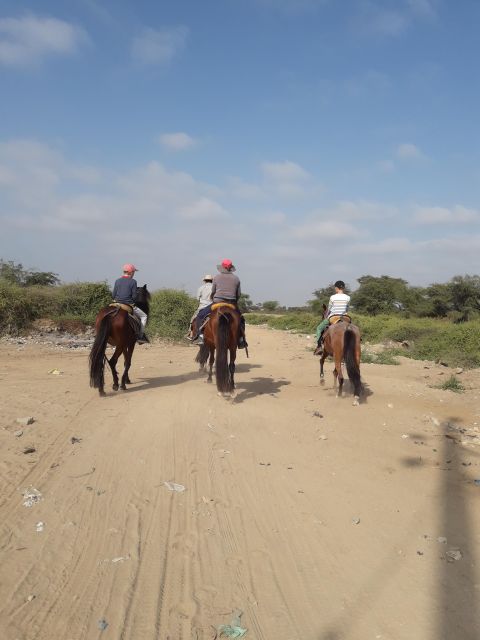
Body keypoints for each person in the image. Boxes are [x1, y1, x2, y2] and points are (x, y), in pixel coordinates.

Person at [210, 258, 247, 348]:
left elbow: (213, 291)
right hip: (231, 302)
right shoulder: (236, 278)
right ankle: (241, 339)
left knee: (202, 315)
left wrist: (212, 298)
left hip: (217, 301)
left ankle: (200, 335)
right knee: (241, 319)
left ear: (222, 267)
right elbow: (238, 294)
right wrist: (235, 301)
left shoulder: (216, 277)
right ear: (230, 268)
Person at [112, 263, 149, 344]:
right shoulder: (133, 282)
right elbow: (134, 296)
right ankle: (140, 335)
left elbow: (113, 294)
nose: (134, 274)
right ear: (131, 272)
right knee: (144, 316)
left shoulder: (117, 281)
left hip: (116, 304)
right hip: (127, 305)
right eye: (134, 272)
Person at [314, 280, 350, 355]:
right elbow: (347, 309)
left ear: (337, 288)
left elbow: (329, 309)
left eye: (335, 288)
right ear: (343, 288)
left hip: (333, 317)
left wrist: (326, 317)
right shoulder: (348, 297)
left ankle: (319, 346)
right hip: (344, 317)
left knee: (319, 328)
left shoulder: (333, 297)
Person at [187, 275, 213, 343]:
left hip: (202, 306)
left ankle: (191, 334)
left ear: (204, 280)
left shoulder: (201, 288)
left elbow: (197, 298)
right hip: (212, 306)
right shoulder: (214, 287)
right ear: (212, 280)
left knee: (193, 318)